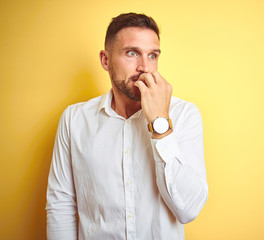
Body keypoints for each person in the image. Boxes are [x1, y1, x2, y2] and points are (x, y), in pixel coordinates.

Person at [46, 12, 208, 240]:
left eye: (152, 55)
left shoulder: (184, 115)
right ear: (105, 60)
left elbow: (188, 209)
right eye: (132, 53)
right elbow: (60, 204)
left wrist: (160, 122)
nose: (144, 67)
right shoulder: (74, 120)